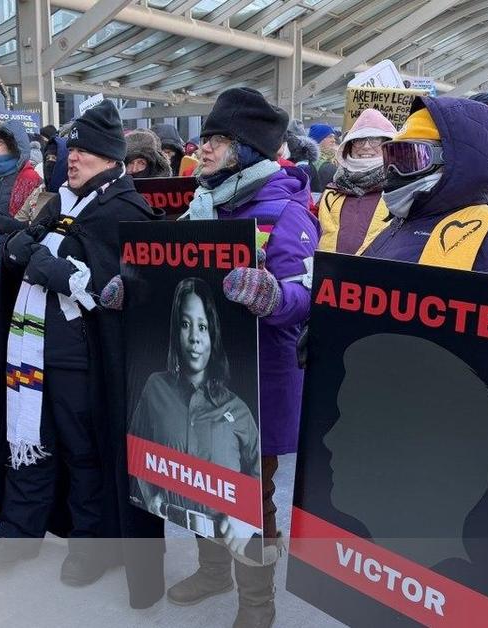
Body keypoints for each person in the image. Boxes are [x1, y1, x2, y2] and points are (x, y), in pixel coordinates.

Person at [135, 87, 316, 628]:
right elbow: (172, 281)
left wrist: (273, 296)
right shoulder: (200, 206)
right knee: (193, 478)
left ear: (248, 148)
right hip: (194, 380)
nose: (204, 148)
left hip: (255, 385)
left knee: (249, 497)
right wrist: (136, 288)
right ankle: (213, 571)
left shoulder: (287, 211)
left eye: (218, 139)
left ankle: (256, 604)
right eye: (207, 137)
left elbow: (306, 294)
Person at [0, 101, 166, 602]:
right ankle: (20, 528)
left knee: (83, 448)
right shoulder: (63, 200)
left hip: (82, 353)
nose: (71, 157)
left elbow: (131, 289)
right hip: (31, 343)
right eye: (71, 148)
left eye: (82, 150)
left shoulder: (126, 209)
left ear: (109, 158)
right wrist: (21, 251)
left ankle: (90, 543)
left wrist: (66, 276)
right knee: (28, 436)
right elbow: (32, 247)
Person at [361, 94, 488, 566]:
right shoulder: (391, 228)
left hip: (450, 438)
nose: (394, 168)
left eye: (410, 155)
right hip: (387, 427)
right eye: (392, 153)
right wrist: (325, 335)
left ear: (456, 162)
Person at [129, 278, 260, 535]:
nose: (194, 338)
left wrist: (244, 518)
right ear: (175, 332)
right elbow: (137, 446)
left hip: (233, 538)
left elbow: (257, 476)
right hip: (183, 523)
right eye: (186, 325)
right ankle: (212, 575)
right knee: (212, 570)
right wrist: (151, 494)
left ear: (213, 334)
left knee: (252, 566)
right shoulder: (155, 387)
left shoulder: (238, 409)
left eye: (202, 327)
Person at [0, 120, 44, 408]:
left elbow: (32, 226)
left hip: (9, 265)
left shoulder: (32, 180)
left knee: (7, 331)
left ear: (16, 146)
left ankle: (2, 386)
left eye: (1, 143)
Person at [316, 108, 396, 255]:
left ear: (388, 144)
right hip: (331, 275)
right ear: (349, 146)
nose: (366, 146)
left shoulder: (401, 191)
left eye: (375, 139)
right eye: (359, 140)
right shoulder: (331, 192)